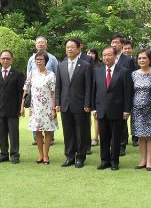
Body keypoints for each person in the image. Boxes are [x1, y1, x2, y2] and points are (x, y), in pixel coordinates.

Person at [92, 46, 133, 171]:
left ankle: (114, 161)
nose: (106, 57)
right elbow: (94, 91)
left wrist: (126, 110)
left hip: (118, 110)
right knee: (104, 138)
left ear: (115, 56)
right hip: (101, 110)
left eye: (109, 55)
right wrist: (94, 108)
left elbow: (128, 92)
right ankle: (104, 160)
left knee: (116, 138)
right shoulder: (98, 71)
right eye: (104, 55)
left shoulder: (124, 71)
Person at [55, 39, 93, 168]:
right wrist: (58, 102)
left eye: (72, 47)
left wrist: (88, 103)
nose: (69, 49)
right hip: (65, 104)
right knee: (68, 132)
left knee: (81, 132)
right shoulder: (61, 65)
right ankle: (69, 156)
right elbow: (58, 87)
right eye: (67, 47)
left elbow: (89, 87)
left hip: (81, 104)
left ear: (78, 49)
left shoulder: (85, 65)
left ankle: (80, 157)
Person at [20, 51, 58, 164]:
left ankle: (46, 155)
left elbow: (53, 93)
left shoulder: (51, 75)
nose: (39, 61)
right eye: (37, 59)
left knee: (48, 131)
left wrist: (53, 109)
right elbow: (26, 90)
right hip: (35, 107)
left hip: (47, 107)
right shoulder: (32, 73)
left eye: (41, 59)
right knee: (37, 131)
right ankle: (40, 154)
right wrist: (22, 105)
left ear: (46, 61)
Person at [0, 50, 25, 164]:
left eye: (8, 58)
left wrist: (21, 107)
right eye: (3, 58)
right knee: (2, 133)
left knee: (14, 133)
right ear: (0, 59)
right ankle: (3, 154)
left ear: (12, 60)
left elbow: (21, 93)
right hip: (0, 109)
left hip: (13, 109)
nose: (5, 60)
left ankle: (15, 155)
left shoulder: (18, 74)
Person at [131, 49, 151, 171]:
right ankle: (143, 160)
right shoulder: (134, 74)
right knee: (140, 135)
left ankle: (149, 161)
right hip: (137, 109)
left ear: (149, 59)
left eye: (144, 58)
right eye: (139, 58)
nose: (141, 60)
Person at [26, 36, 58, 145]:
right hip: (35, 93)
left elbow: (57, 75)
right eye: (38, 43)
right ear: (35, 45)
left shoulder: (52, 58)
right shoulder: (31, 59)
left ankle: (50, 137)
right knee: (36, 115)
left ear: (46, 44)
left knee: (49, 115)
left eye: (42, 43)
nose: (40, 44)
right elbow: (28, 73)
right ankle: (36, 138)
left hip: (48, 92)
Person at [110, 35, 135, 155]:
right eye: (112, 42)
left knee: (122, 121)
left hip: (122, 95)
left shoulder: (128, 60)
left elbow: (130, 81)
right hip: (109, 95)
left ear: (122, 45)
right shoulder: (108, 58)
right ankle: (112, 143)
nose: (114, 44)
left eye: (116, 42)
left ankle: (121, 145)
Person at [87, 48, 102, 147]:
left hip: (97, 93)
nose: (90, 55)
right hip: (86, 93)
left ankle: (95, 138)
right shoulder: (84, 64)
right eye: (88, 53)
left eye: (92, 53)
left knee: (96, 116)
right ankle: (86, 138)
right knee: (86, 118)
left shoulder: (100, 66)